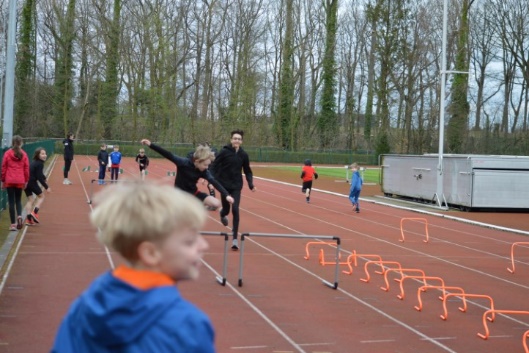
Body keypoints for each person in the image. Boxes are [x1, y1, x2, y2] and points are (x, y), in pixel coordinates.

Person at [50, 182, 215, 353]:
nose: (204, 245)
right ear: (150, 253)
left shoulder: (85, 305)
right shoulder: (189, 325)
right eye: (189, 241)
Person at [140, 139, 234, 210]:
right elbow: (167, 154)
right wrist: (150, 144)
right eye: (205, 165)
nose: (207, 167)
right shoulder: (183, 163)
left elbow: (214, 182)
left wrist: (226, 195)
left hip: (193, 193)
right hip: (179, 194)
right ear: (197, 161)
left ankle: (195, 205)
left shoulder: (204, 171)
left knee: (216, 203)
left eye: (208, 165)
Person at [210, 129, 256, 250]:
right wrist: (210, 179)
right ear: (231, 140)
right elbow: (214, 166)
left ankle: (235, 239)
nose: (237, 140)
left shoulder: (243, 155)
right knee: (226, 210)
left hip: (236, 186)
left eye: (239, 139)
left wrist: (251, 184)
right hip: (224, 185)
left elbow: (247, 171)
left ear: (241, 141)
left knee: (235, 209)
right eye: (235, 138)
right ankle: (222, 213)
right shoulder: (224, 152)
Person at [1, 135, 30, 230]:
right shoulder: (24, 154)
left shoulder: (7, 153)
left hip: (9, 180)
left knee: (11, 201)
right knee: (18, 200)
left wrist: (2, 180)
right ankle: (19, 216)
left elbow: (3, 168)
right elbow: (26, 169)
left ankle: (13, 224)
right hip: (20, 180)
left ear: (12, 143)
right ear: (21, 143)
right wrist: (26, 180)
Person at [24, 147, 51, 226]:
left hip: (26, 183)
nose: (45, 155)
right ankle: (34, 212)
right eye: (42, 154)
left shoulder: (34, 162)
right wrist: (47, 187)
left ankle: (29, 219)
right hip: (32, 182)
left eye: (45, 153)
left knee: (30, 200)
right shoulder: (40, 164)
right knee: (42, 196)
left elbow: (39, 173)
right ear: (37, 155)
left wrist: (44, 178)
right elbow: (39, 177)